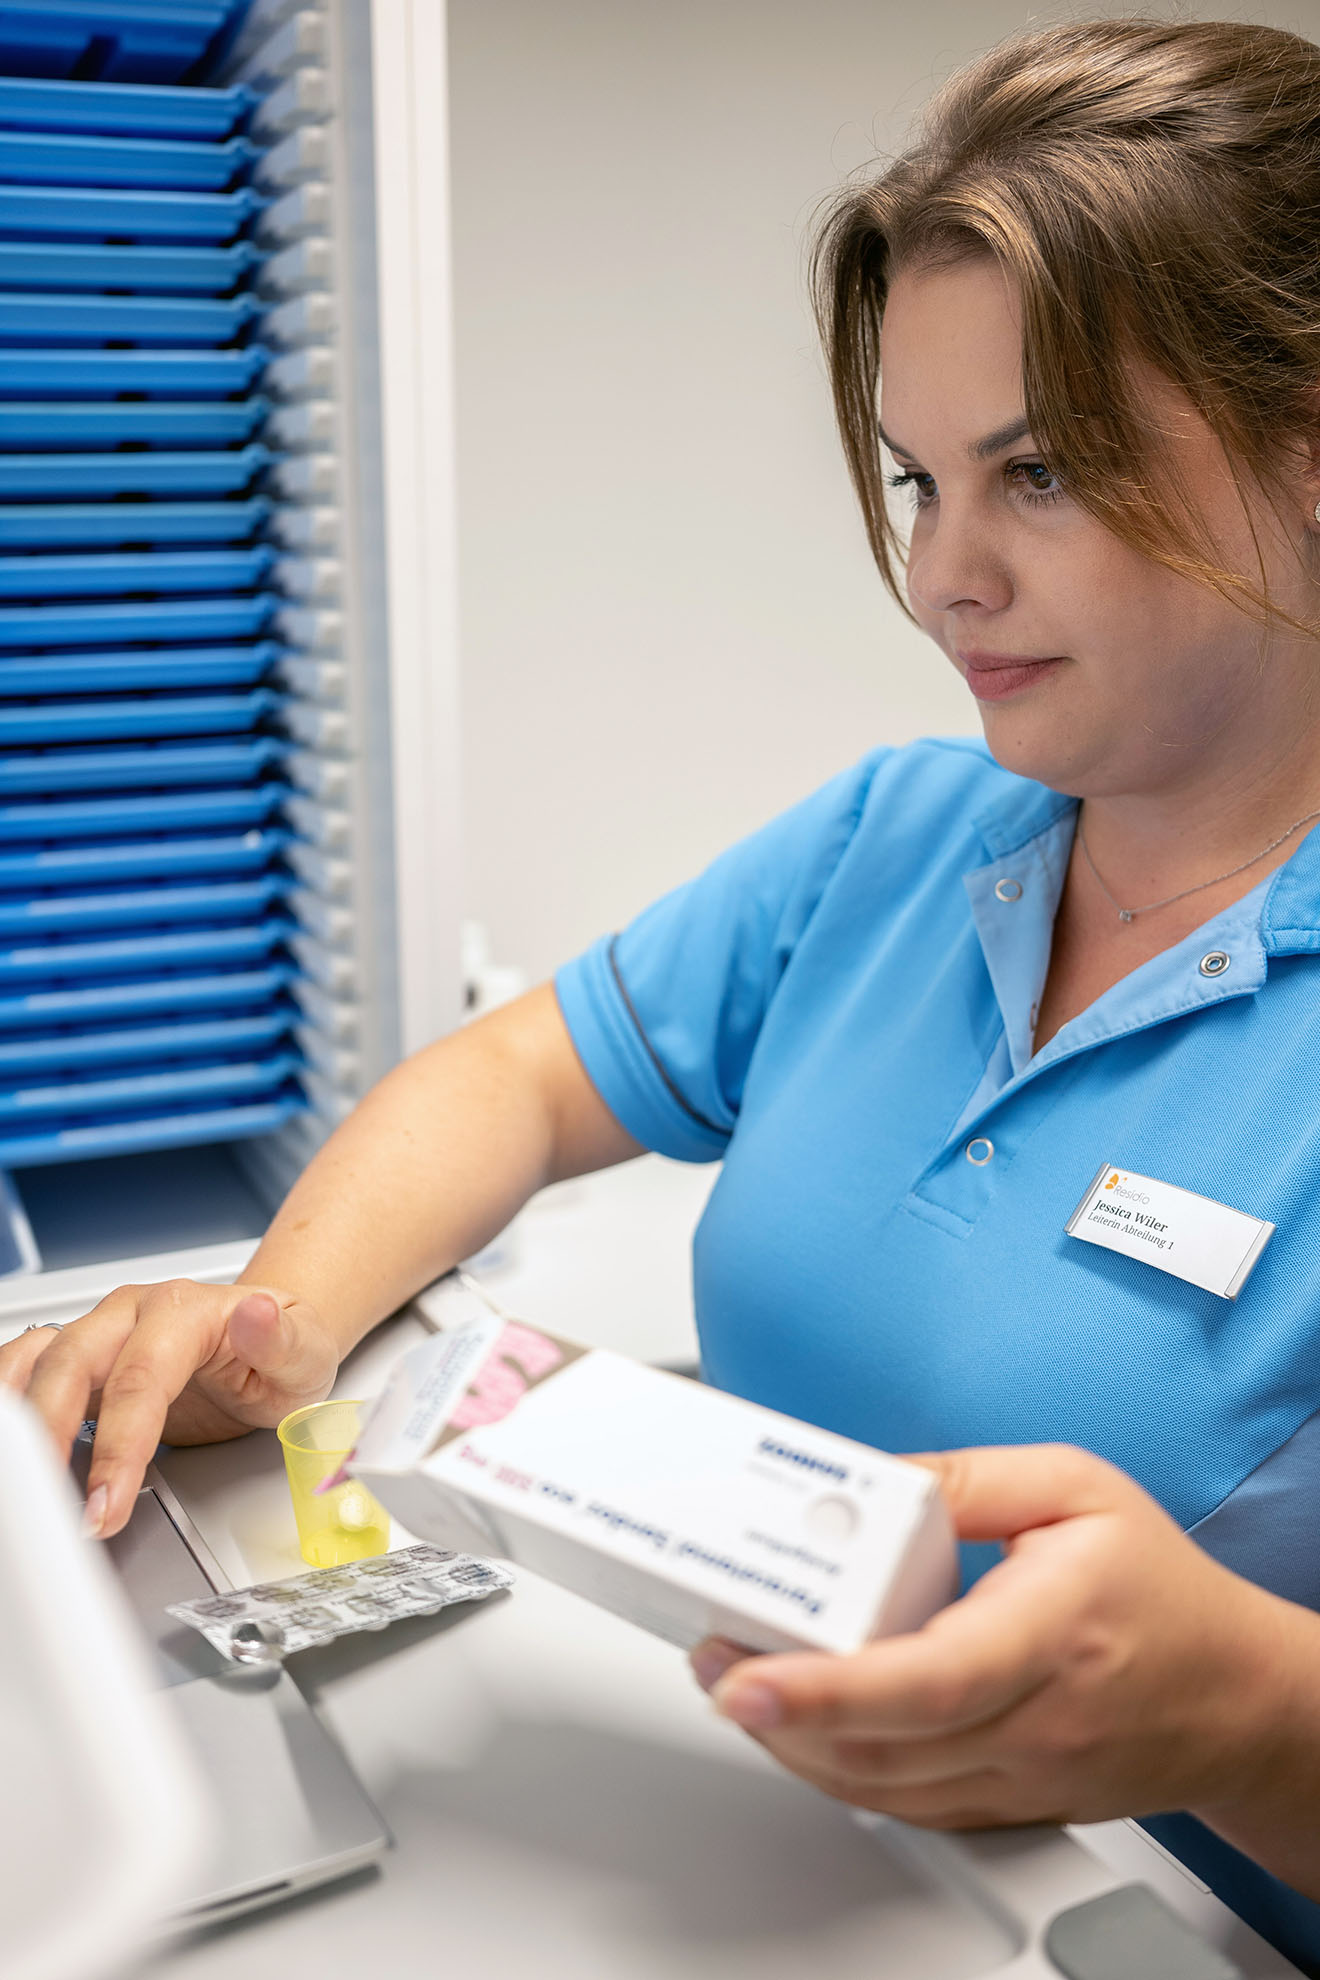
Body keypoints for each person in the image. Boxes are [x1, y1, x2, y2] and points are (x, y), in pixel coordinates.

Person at [5, 11, 1320, 1968]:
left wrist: (1257, 1716)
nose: (945, 573)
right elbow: (521, 1078)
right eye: (914, 480)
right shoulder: (900, 839)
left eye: (1036, 475)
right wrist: (275, 1323)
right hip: (757, 1850)